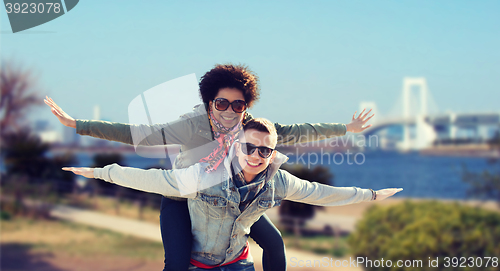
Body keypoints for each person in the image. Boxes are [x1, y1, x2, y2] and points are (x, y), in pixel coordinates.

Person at [46, 64, 374, 271]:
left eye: (238, 104)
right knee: (176, 263)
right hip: (183, 195)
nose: (231, 111)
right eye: (222, 103)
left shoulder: (252, 128)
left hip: (229, 198)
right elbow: (138, 136)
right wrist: (78, 124)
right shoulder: (191, 126)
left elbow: (300, 131)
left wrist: (346, 127)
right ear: (209, 103)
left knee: (274, 244)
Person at [63, 118, 402, 271]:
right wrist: (99, 172)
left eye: (265, 151)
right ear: (236, 145)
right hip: (195, 252)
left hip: (237, 264)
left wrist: (370, 195)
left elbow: (320, 193)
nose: (257, 155)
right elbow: (153, 178)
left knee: (274, 241)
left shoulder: (278, 177)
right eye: (250, 148)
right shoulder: (203, 168)